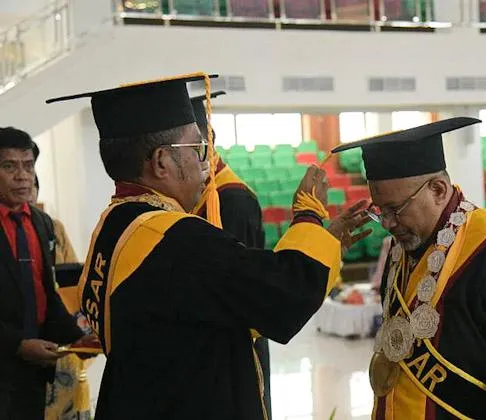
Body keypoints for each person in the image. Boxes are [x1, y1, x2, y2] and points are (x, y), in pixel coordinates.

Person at [46, 75, 369, 420]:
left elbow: (223, 301)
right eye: (197, 148)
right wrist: (308, 215)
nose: (206, 162)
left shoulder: (113, 224)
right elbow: (281, 295)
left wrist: (324, 244)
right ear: (161, 162)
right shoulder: (174, 239)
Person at [330, 118, 486, 419]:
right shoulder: (403, 245)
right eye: (380, 210)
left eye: (395, 209)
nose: (387, 223)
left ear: (439, 190)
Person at [0, 127, 96, 420]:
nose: (22, 176)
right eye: (9, 167)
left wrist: (78, 338)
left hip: (35, 370)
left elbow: (46, 294)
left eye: (28, 166)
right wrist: (17, 345)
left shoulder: (42, 224)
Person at [188, 91, 273, 418]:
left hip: (235, 351)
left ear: (208, 139)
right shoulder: (193, 195)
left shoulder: (232, 200)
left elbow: (243, 295)